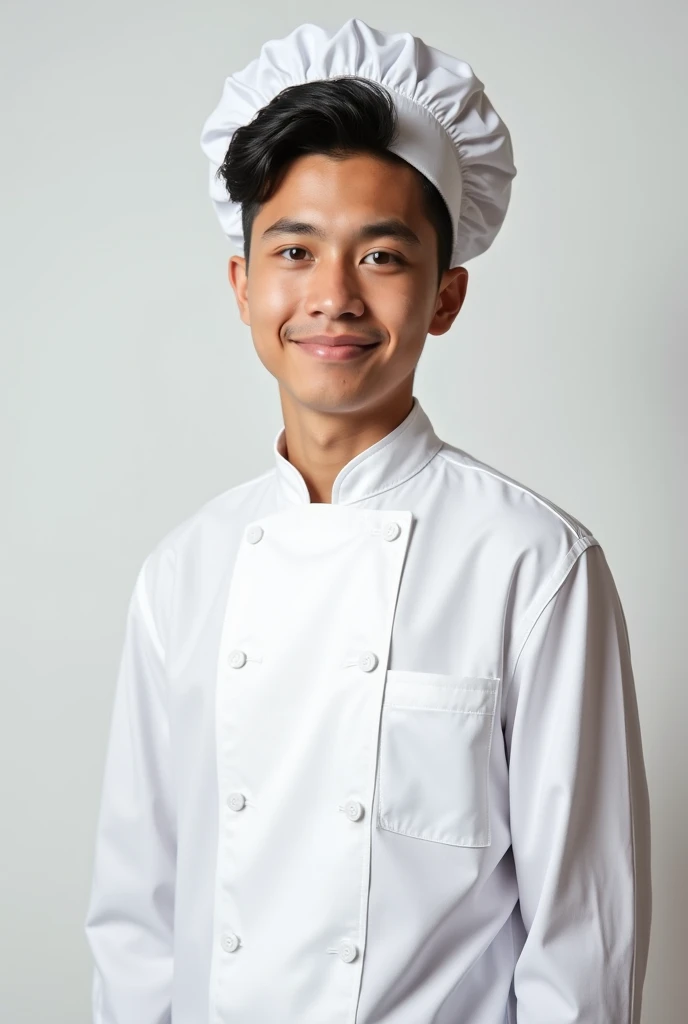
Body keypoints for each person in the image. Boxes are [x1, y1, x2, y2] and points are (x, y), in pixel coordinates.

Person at [83, 16, 652, 1024]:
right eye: (293, 250)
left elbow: (582, 940)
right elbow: (137, 917)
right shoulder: (185, 570)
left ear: (445, 296)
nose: (332, 297)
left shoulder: (534, 564)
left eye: (382, 255)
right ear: (242, 284)